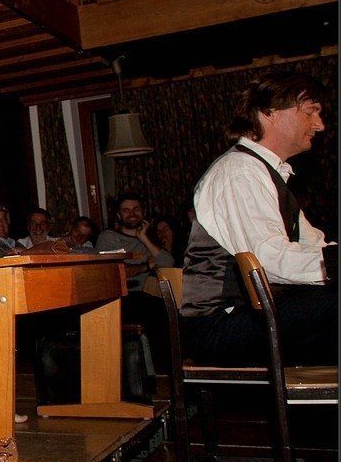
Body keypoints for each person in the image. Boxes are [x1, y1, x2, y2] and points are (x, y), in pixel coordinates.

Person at [181, 71, 337, 367]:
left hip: (248, 316)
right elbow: (269, 260)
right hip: (219, 327)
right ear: (269, 113)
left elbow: (314, 245)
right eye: (310, 112)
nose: (320, 124)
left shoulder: (266, 173)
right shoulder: (239, 171)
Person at [95, 193, 173, 373]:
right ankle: (158, 373)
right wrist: (145, 266)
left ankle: (166, 373)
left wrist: (143, 237)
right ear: (118, 215)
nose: (132, 214)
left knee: (168, 309)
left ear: (143, 212)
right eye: (126, 210)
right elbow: (112, 272)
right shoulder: (109, 237)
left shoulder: (149, 239)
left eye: (136, 209)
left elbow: (168, 263)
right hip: (117, 297)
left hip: (144, 296)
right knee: (156, 309)